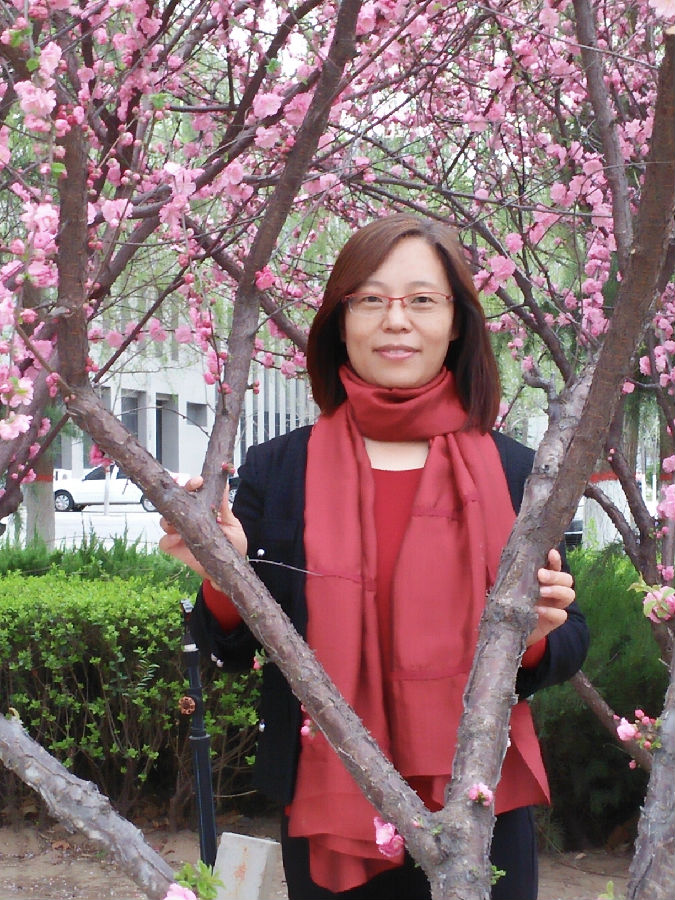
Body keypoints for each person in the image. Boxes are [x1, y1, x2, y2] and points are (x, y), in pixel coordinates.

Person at [160, 214, 588, 900]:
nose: (396, 320)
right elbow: (232, 649)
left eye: (421, 300)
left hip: (480, 797)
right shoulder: (279, 469)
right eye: (370, 299)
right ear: (340, 320)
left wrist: (533, 637)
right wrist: (224, 575)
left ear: (457, 322)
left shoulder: (518, 472)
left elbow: (570, 638)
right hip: (329, 801)